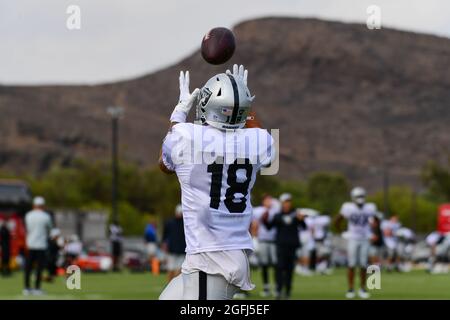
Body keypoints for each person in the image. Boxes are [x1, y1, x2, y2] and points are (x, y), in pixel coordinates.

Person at [158, 64, 275, 300]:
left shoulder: (188, 136)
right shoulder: (259, 140)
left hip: (210, 259)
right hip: (224, 253)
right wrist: (244, 107)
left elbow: (164, 164)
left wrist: (179, 113)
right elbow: (258, 135)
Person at [334, 187, 376, 299]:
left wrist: (374, 232)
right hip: (352, 238)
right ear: (353, 198)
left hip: (365, 238)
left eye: (362, 196)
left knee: (363, 264)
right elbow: (337, 220)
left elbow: (376, 220)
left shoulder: (369, 207)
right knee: (351, 264)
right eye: (358, 197)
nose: (360, 199)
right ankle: (351, 288)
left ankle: (362, 288)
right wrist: (342, 232)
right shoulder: (348, 208)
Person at [263, 193, 306, 300]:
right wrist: (264, 219)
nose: (287, 204)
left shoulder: (296, 215)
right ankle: (278, 290)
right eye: (285, 202)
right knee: (279, 268)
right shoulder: (277, 216)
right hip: (281, 245)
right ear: (282, 203)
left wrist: (302, 220)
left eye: (289, 202)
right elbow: (269, 227)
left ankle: (287, 291)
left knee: (290, 269)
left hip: (292, 246)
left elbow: (304, 227)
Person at [251, 194, 279, 297]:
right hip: (262, 240)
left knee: (276, 265)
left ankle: (276, 287)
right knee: (264, 264)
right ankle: (266, 287)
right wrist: (254, 238)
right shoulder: (258, 210)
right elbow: (254, 224)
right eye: (267, 200)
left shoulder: (275, 211)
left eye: (270, 200)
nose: (269, 202)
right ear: (263, 201)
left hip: (274, 240)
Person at [24, 196, 52, 295]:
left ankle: (26, 288)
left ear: (34, 205)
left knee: (28, 267)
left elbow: (27, 229)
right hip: (41, 245)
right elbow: (50, 229)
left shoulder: (28, 215)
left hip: (30, 244)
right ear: (43, 205)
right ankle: (37, 288)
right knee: (39, 267)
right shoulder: (46, 216)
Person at [162, 204, 186, 281]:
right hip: (172, 250)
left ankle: (174, 287)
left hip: (182, 250)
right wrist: (164, 246)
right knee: (171, 269)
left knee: (178, 270)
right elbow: (165, 237)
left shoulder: (186, 223)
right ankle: (170, 286)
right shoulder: (170, 223)